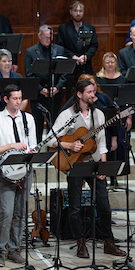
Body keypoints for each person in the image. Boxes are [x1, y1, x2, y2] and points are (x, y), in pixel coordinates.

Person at [51, 79, 126, 259]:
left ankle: (108, 242)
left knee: (104, 205)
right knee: (75, 206)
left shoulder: (98, 114)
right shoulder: (67, 115)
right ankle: (80, 242)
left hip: (94, 163)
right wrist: (69, 145)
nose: (94, 95)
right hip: (75, 164)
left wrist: (103, 167)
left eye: (94, 91)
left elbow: (102, 144)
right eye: (90, 92)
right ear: (79, 94)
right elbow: (51, 139)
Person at [0, 84, 37, 267]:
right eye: (15, 98)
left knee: (21, 212)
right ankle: (0, 251)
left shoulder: (28, 119)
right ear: (6, 99)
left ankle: (14, 249)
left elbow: (33, 143)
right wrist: (11, 146)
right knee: (6, 212)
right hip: (7, 172)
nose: (18, 102)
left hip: (25, 170)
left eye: (20, 98)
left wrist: (32, 150)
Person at [24, 25, 70, 129]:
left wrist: (57, 87)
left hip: (55, 94)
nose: (49, 40)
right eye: (46, 37)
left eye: (50, 37)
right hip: (38, 94)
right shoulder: (30, 52)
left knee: (54, 124)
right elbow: (29, 74)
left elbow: (64, 72)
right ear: (39, 36)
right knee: (37, 125)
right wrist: (41, 89)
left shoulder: (59, 50)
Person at [56, 1, 98, 101]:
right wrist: (72, 56)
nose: (78, 13)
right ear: (70, 12)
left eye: (80, 11)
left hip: (85, 66)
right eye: (75, 11)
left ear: (83, 12)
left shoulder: (90, 28)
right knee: (71, 97)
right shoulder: (63, 28)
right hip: (70, 68)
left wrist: (86, 56)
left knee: (87, 95)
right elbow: (60, 46)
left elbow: (94, 45)